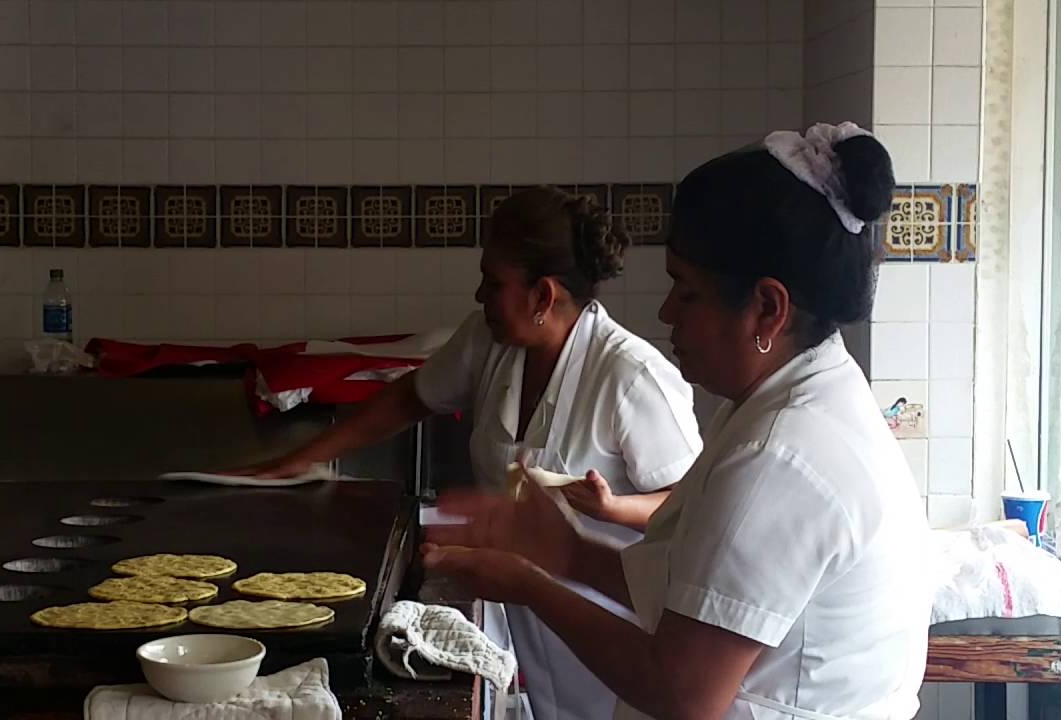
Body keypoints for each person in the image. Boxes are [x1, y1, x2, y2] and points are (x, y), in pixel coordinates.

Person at [423, 124, 932, 720]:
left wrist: (525, 582)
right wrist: (566, 551)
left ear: (768, 308)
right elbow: (695, 592)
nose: (666, 312)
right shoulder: (785, 403)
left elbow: (682, 694)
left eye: (685, 293)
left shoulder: (784, 454)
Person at [240, 185, 703, 719]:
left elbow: (689, 515)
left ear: (542, 297)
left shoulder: (631, 377)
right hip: (524, 613)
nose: (480, 296)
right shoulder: (491, 342)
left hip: (606, 624)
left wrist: (613, 509)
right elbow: (410, 398)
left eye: (493, 282)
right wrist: (301, 458)